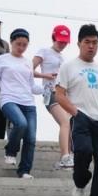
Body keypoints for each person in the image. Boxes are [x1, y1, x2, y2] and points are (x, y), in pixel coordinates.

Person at [56, 24, 98, 196]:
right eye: (87, 42)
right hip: (81, 117)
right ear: (79, 44)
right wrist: (76, 113)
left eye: (94, 42)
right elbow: (59, 94)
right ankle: (80, 181)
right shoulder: (68, 67)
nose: (91, 46)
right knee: (83, 151)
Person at [0, 28, 43, 179]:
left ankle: (24, 171)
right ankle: (10, 151)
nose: (21, 48)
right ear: (11, 42)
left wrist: (47, 89)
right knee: (21, 123)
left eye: (25, 45)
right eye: (18, 44)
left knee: (30, 138)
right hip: (9, 99)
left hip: (28, 102)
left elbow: (31, 86)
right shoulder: (2, 59)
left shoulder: (28, 62)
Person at [32, 25, 72, 168]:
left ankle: (67, 156)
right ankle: (65, 156)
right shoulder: (44, 51)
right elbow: (28, 69)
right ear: (54, 38)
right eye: (60, 41)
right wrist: (45, 75)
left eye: (65, 42)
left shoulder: (62, 58)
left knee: (69, 123)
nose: (62, 44)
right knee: (65, 122)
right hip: (50, 92)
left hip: (63, 93)